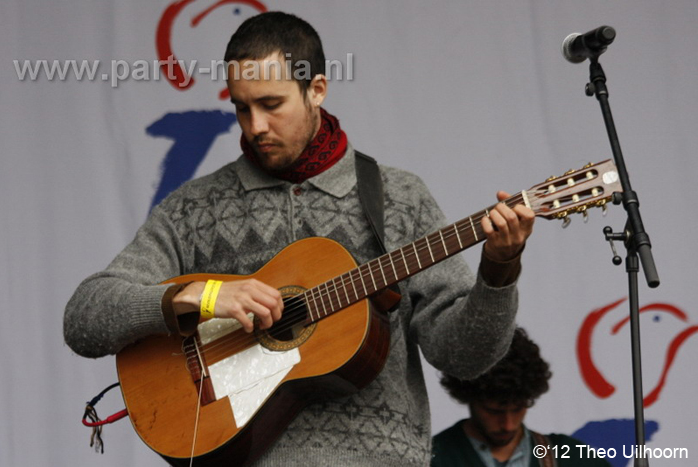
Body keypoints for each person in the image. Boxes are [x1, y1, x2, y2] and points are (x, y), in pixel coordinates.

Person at [64, 11, 535, 467]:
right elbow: (85, 316)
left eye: (271, 105)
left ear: (317, 90)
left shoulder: (399, 197)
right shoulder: (196, 207)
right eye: (242, 107)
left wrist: (500, 268)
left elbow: (464, 359)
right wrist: (203, 296)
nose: (255, 127)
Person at [431, 328, 611, 467]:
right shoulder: (431, 457)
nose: (508, 424)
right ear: (469, 396)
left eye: (518, 408)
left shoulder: (569, 455)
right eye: (494, 411)